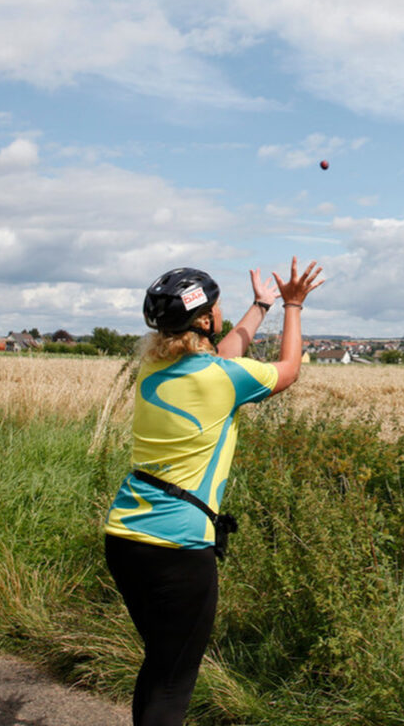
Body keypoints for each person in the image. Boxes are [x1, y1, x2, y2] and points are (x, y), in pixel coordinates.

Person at [104, 257, 323, 726]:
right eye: (216, 310)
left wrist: (260, 306)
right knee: (175, 680)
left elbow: (220, 354)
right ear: (205, 321)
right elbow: (288, 369)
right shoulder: (225, 379)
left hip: (124, 537)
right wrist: (292, 305)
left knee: (161, 663)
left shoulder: (153, 372)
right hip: (179, 548)